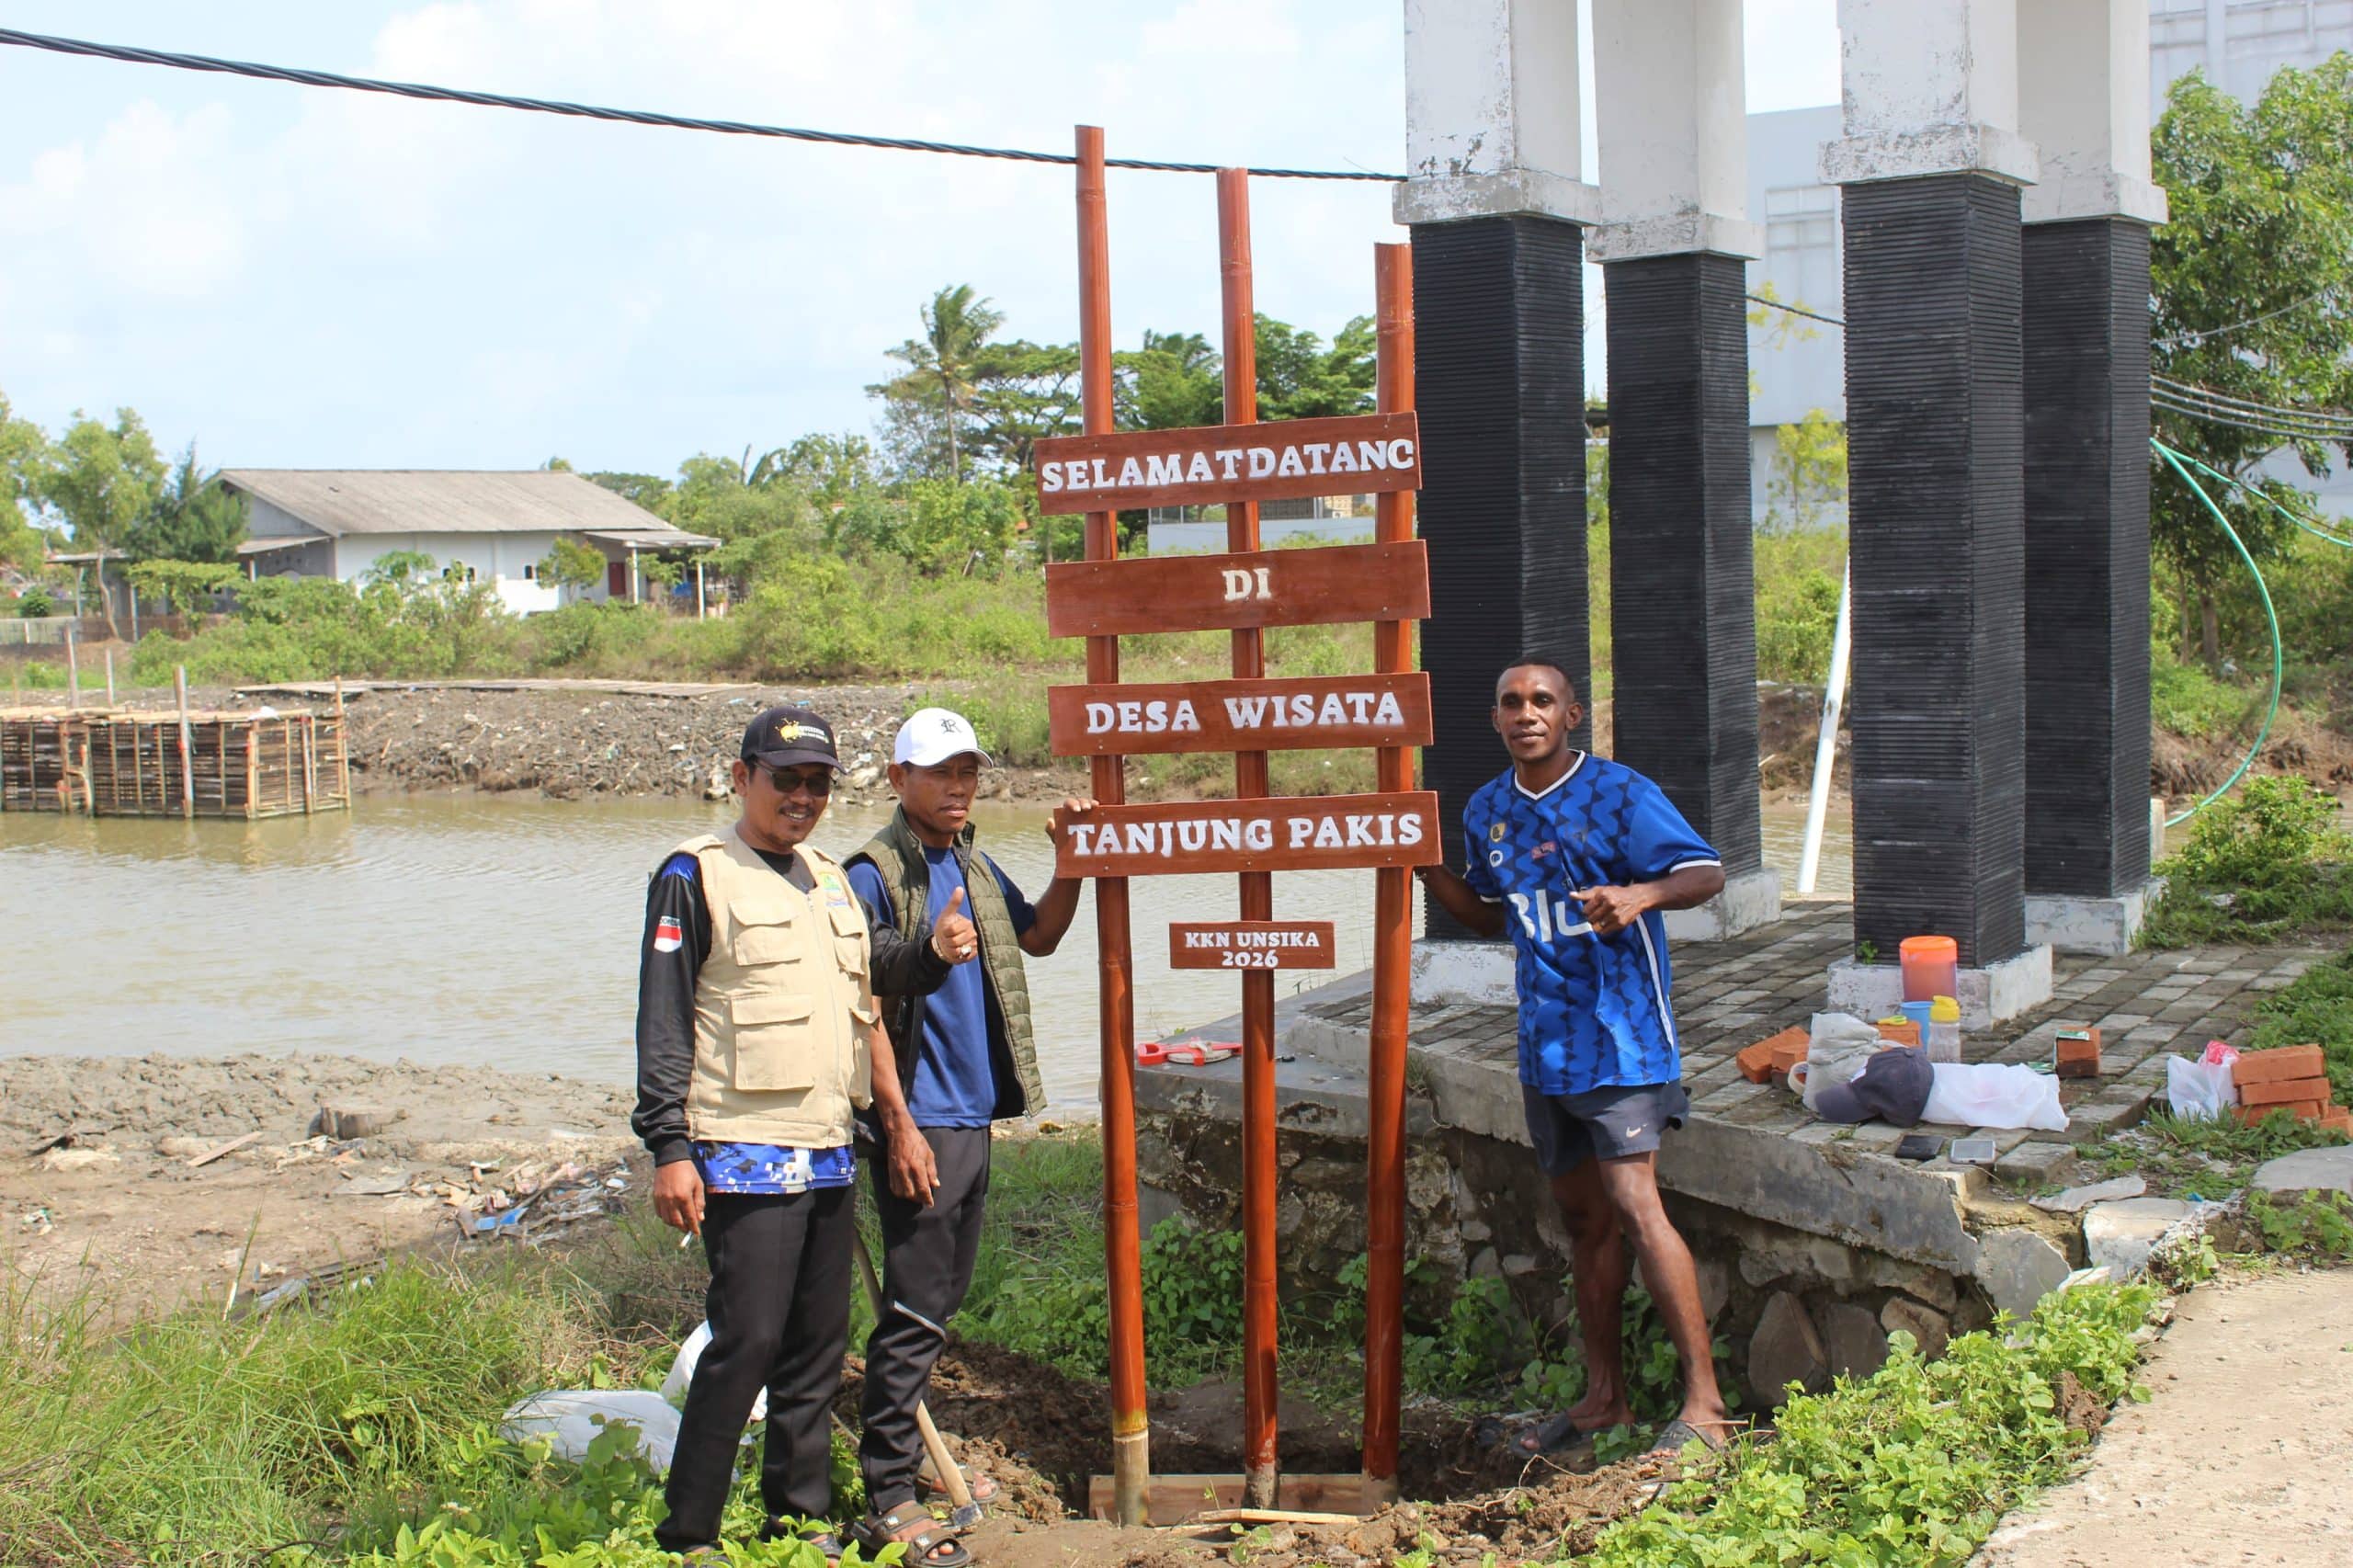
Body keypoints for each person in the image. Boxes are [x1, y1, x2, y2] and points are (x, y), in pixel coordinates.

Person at [632, 703, 979, 1561]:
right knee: (747, 1340)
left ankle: (798, 1520)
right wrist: (669, 1147)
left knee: (817, 1350)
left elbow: (875, 975)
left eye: (818, 783)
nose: (802, 797)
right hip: (742, 1150)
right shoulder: (695, 875)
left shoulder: (828, 876)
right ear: (742, 777)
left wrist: (932, 953)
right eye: (785, 779)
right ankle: (690, 1535)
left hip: (826, 1148)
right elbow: (663, 1021)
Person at [1416, 660, 1736, 1458]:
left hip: (1624, 1038)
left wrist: (1640, 895)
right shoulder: (1488, 808)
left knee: (1634, 1204)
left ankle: (1706, 1409)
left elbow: (1706, 871)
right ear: (1495, 720)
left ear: (1571, 715)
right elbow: (1489, 917)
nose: (1526, 714)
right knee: (1584, 1219)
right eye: (1512, 703)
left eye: (1542, 701)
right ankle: (1604, 1401)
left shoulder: (1621, 793)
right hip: (1545, 1045)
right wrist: (1424, 868)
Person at [843, 708, 1091, 1565]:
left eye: (968, 772)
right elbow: (863, 1000)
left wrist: (1072, 863)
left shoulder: (974, 863)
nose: (958, 787)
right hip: (922, 1122)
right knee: (914, 1307)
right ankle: (888, 1492)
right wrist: (899, 1127)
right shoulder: (873, 874)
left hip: (972, 1114)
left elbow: (1041, 936)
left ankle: (908, 1461)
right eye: (940, 771)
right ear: (898, 778)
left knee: (937, 1302)